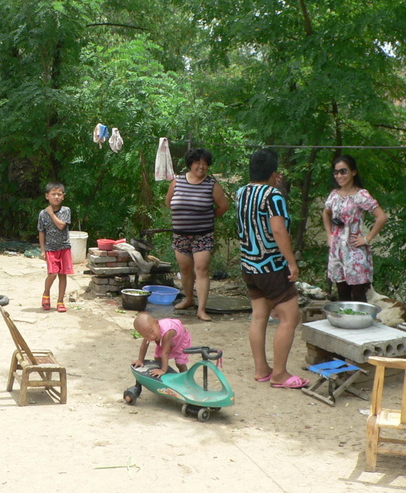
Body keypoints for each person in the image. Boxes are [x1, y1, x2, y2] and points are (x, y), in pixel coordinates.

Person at [236, 148, 309, 389]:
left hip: (249, 265)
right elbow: (278, 230)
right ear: (273, 172)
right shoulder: (273, 195)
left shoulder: (241, 192)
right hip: (271, 266)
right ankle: (279, 374)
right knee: (290, 317)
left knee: (259, 317)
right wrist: (291, 261)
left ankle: (262, 370)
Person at [165, 148, 230, 321]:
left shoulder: (212, 185)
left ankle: (201, 309)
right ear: (190, 164)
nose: (201, 166)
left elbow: (223, 206)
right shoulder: (177, 182)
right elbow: (168, 202)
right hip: (180, 235)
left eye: (205, 163)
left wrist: (207, 217)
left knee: (201, 269)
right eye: (197, 163)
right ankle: (188, 299)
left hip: (203, 235)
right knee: (185, 270)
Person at [322, 155, 387, 303]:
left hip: (354, 250)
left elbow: (381, 217)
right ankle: (345, 324)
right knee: (342, 295)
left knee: (358, 296)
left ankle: (360, 324)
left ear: (353, 172)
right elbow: (326, 212)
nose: (339, 175)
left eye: (343, 171)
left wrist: (366, 238)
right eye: (336, 172)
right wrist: (329, 235)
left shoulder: (361, 195)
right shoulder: (334, 194)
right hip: (337, 250)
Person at [38, 182, 72, 313]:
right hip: (50, 249)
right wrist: (42, 250)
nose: (56, 197)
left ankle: (60, 301)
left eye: (59, 194)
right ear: (47, 196)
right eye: (53, 194)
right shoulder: (42, 214)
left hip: (64, 248)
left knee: (63, 275)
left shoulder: (66, 211)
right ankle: (46, 293)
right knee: (52, 274)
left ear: (63, 196)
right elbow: (41, 232)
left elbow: (61, 226)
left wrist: (51, 213)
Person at [130, 312, 192, 377]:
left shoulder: (167, 332)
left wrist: (163, 370)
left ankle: (186, 378)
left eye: (152, 331)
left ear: (157, 323)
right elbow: (144, 346)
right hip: (164, 340)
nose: (152, 337)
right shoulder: (148, 330)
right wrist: (140, 360)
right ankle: (162, 376)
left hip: (180, 339)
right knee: (157, 358)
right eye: (146, 336)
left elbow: (165, 352)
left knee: (180, 363)